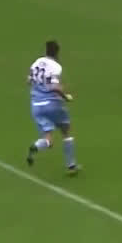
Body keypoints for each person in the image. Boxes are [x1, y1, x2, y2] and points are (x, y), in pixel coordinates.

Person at [25, 40, 79, 175]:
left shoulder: (36, 62)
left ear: (46, 50)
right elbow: (55, 87)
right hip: (52, 104)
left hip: (36, 106)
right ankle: (71, 166)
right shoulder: (56, 67)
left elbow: (28, 81)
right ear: (57, 52)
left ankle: (36, 146)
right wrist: (66, 97)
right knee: (66, 131)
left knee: (48, 139)